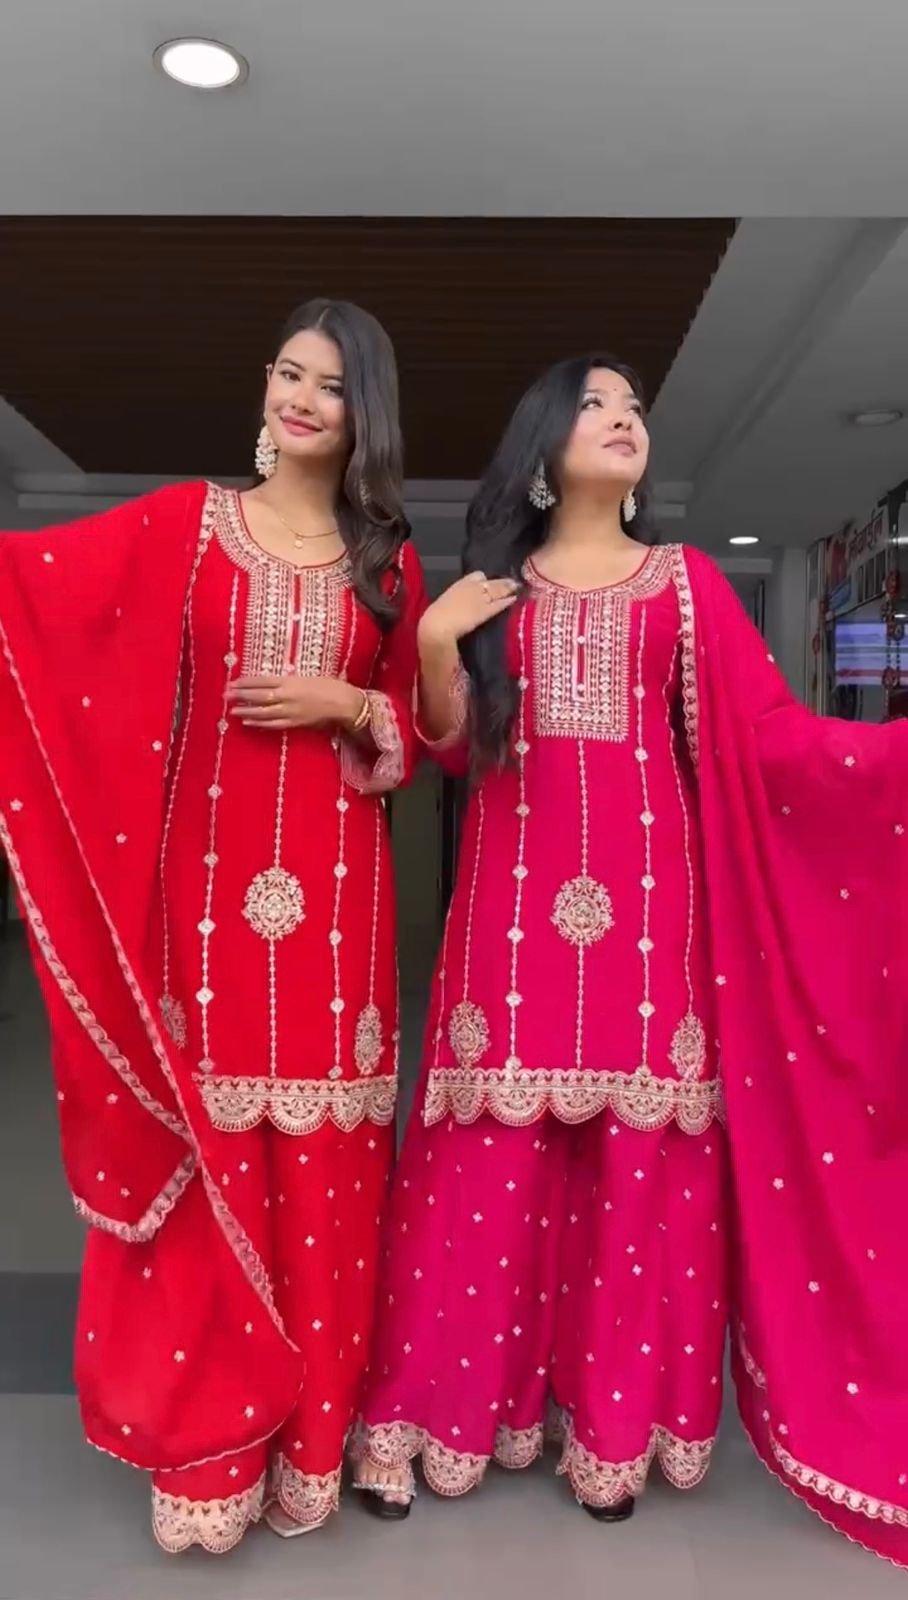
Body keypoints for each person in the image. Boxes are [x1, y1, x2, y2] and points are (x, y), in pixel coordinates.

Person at [354, 354, 908, 1570]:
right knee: (482, 1161)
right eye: (596, 405)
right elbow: (447, 747)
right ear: (541, 446)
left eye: (633, 409)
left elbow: (766, 740)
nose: (622, 421)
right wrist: (438, 641)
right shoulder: (492, 592)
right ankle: (432, 1418)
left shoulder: (686, 585)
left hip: (652, 922)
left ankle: (609, 1435)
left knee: (634, 1171)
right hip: (505, 916)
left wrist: (885, 762)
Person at [0, 299, 427, 1552]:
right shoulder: (188, 525)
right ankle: (210, 1447)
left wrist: (347, 700)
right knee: (215, 1157)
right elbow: (37, 596)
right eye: (288, 372)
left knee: (328, 1173)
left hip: (340, 909)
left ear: (363, 412)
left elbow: (412, 735)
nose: (301, 398)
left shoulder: (385, 563)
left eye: (330, 384)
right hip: (201, 896)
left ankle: (311, 1442)